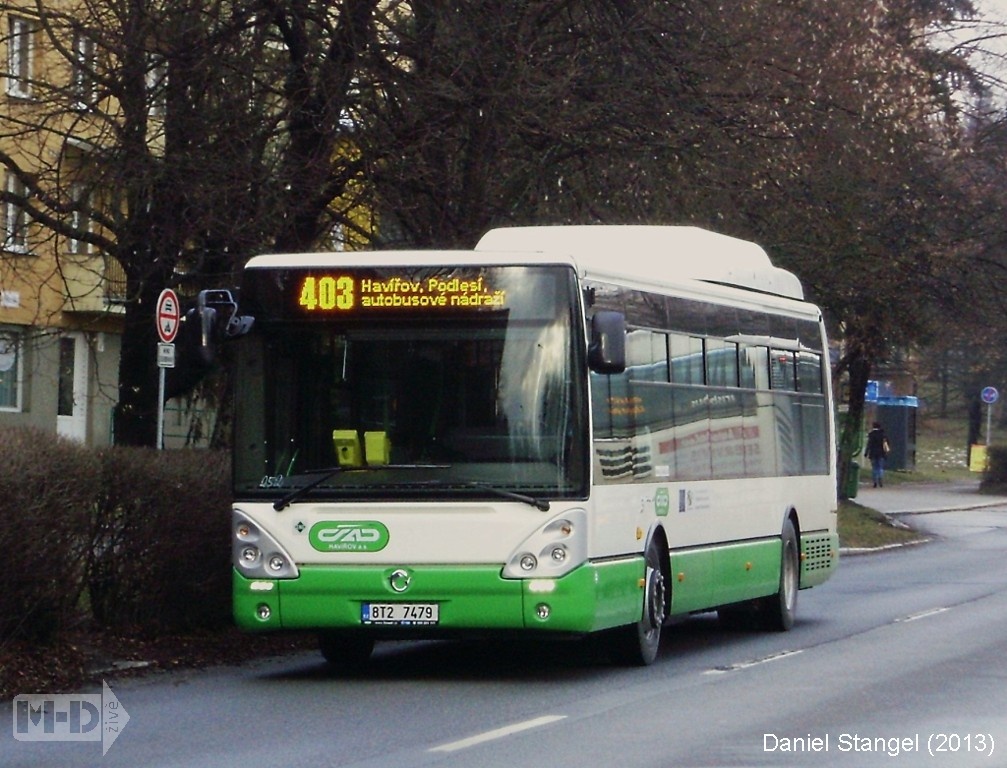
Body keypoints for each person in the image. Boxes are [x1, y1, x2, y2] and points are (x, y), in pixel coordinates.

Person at [864, 421, 889, 488]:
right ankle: (880, 478)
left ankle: (875, 481)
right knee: (880, 467)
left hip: (873, 453)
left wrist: (866, 453)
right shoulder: (883, 435)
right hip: (881, 453)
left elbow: (869, 444)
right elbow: (886, 444)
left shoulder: (871, 435)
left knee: (874, 468)